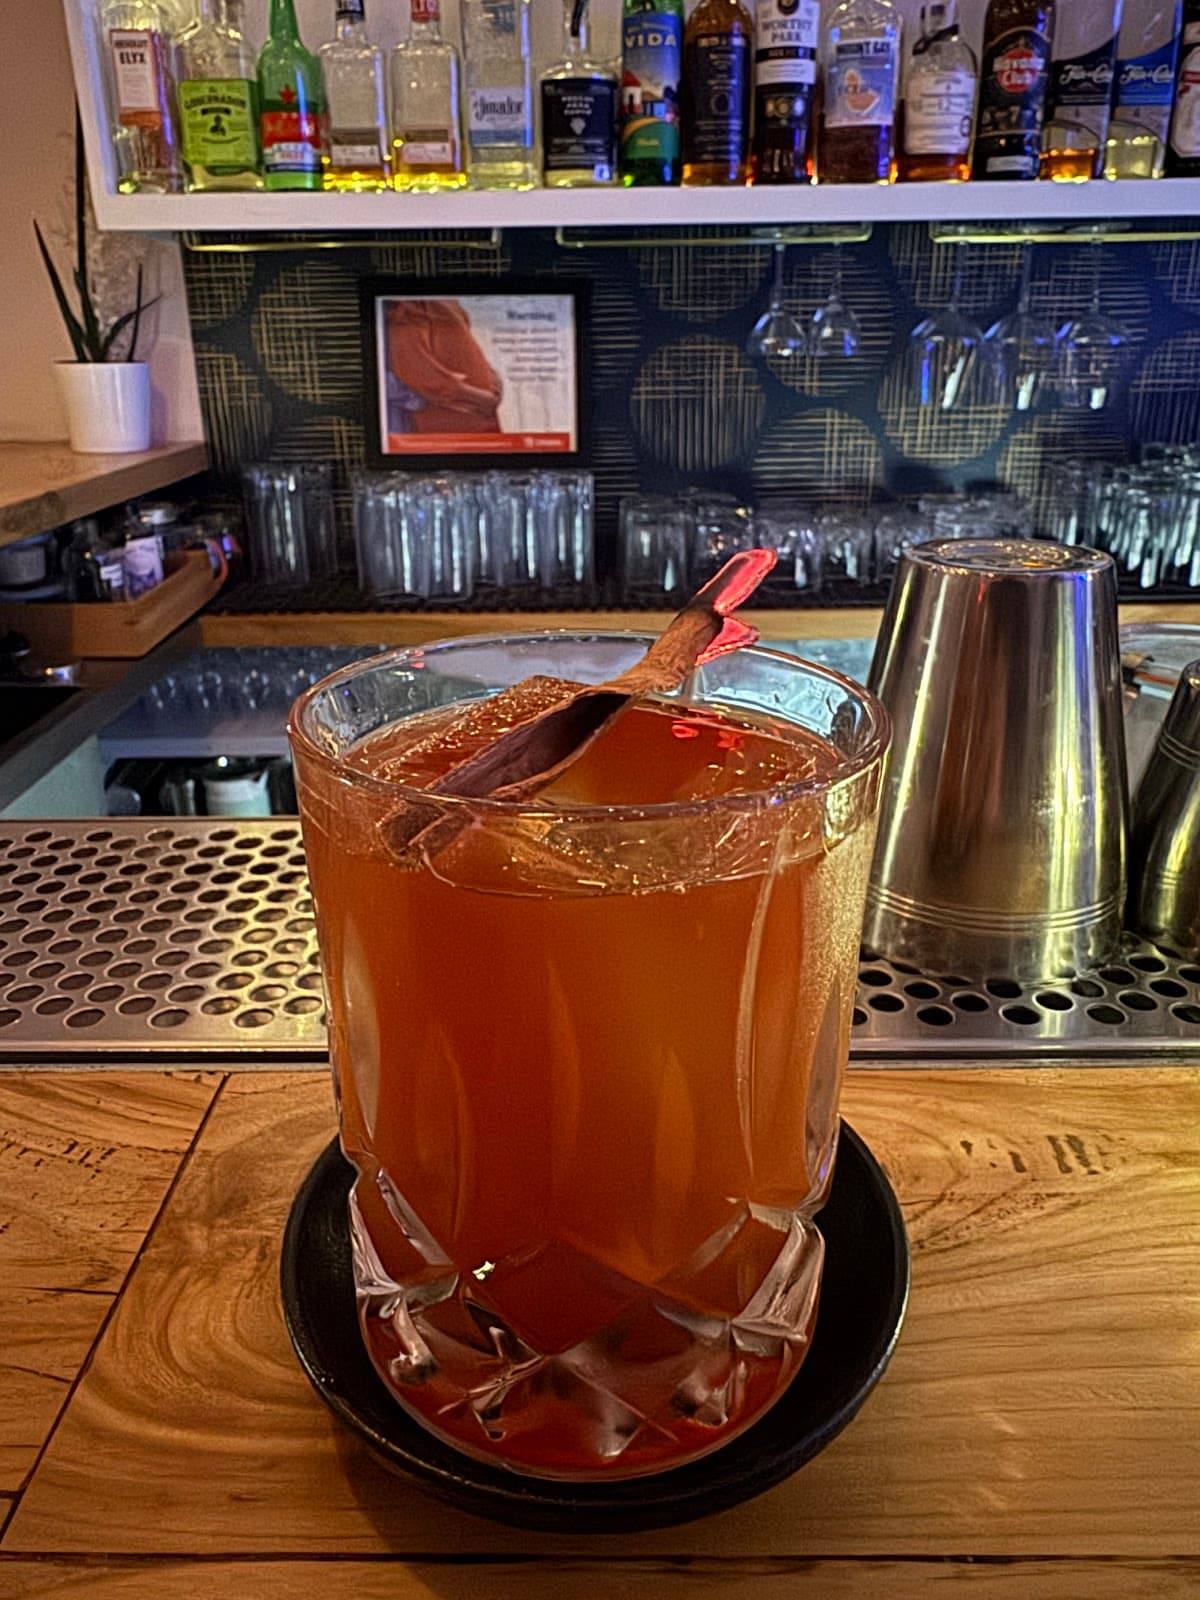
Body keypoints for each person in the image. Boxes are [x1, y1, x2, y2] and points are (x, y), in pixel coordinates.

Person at [384, 299, 503, 445]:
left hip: (481, 420)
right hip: (453, 424)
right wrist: (480, 398)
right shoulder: (406, 309)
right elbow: (421, 374)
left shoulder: (444, 301)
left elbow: (464, 343)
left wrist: (493, 378)